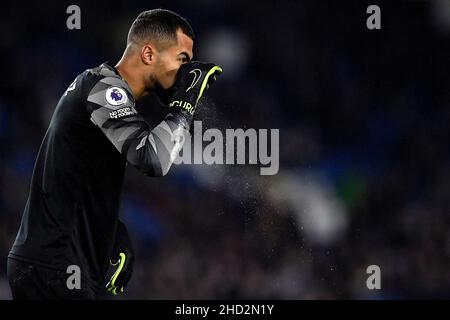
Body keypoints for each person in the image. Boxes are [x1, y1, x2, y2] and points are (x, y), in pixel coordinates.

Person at [6, 8, 222, 299]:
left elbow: (72, 174)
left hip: (54, 266)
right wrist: (184, 105)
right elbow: (154, 159)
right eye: (182, 59)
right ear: (148, 55)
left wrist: (109, 230)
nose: (185, 71)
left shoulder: (101, 92)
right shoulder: (103, 88)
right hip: (56, 268)